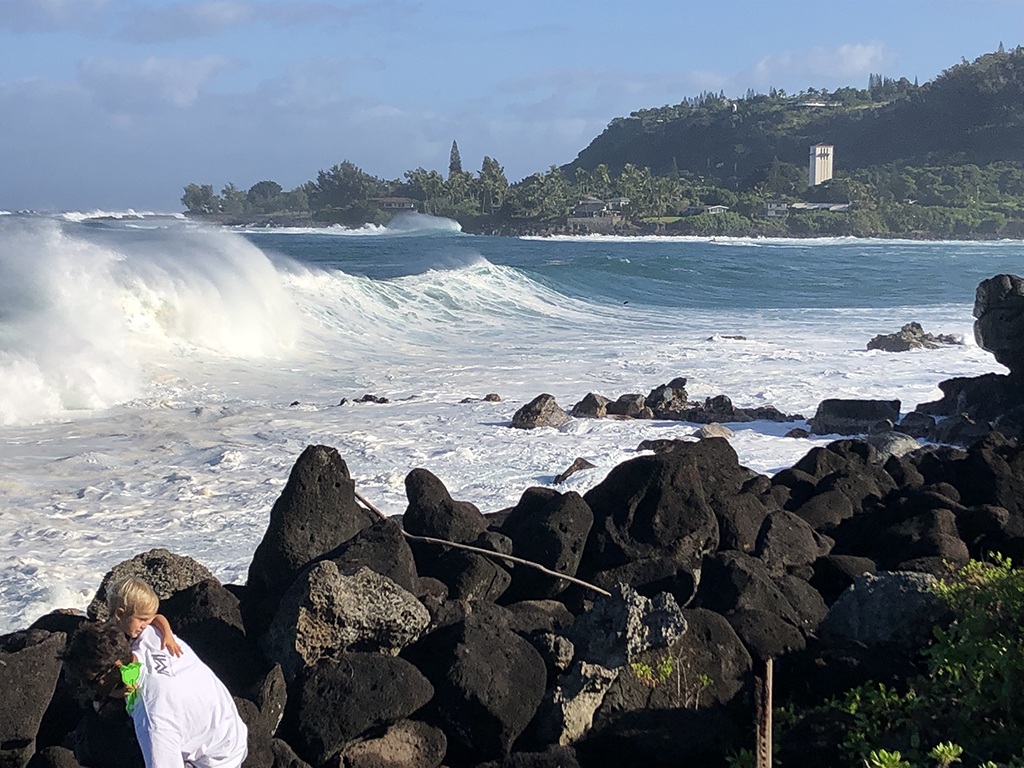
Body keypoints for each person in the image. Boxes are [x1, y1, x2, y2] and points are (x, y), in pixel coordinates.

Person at [63, 620, 249, 768]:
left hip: (218, 759)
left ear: (116, 668)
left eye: (92, 682)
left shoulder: (153, 720)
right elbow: (154, 617)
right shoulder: (152, 636)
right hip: (227, 723)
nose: (90, 688)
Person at [105, 576, 182, 656]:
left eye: (147, 620)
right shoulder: (107, 638)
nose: (145, 625)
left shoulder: (130, 627)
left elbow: (157, 617)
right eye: (142, 619)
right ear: (120, 614)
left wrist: (168, 635)